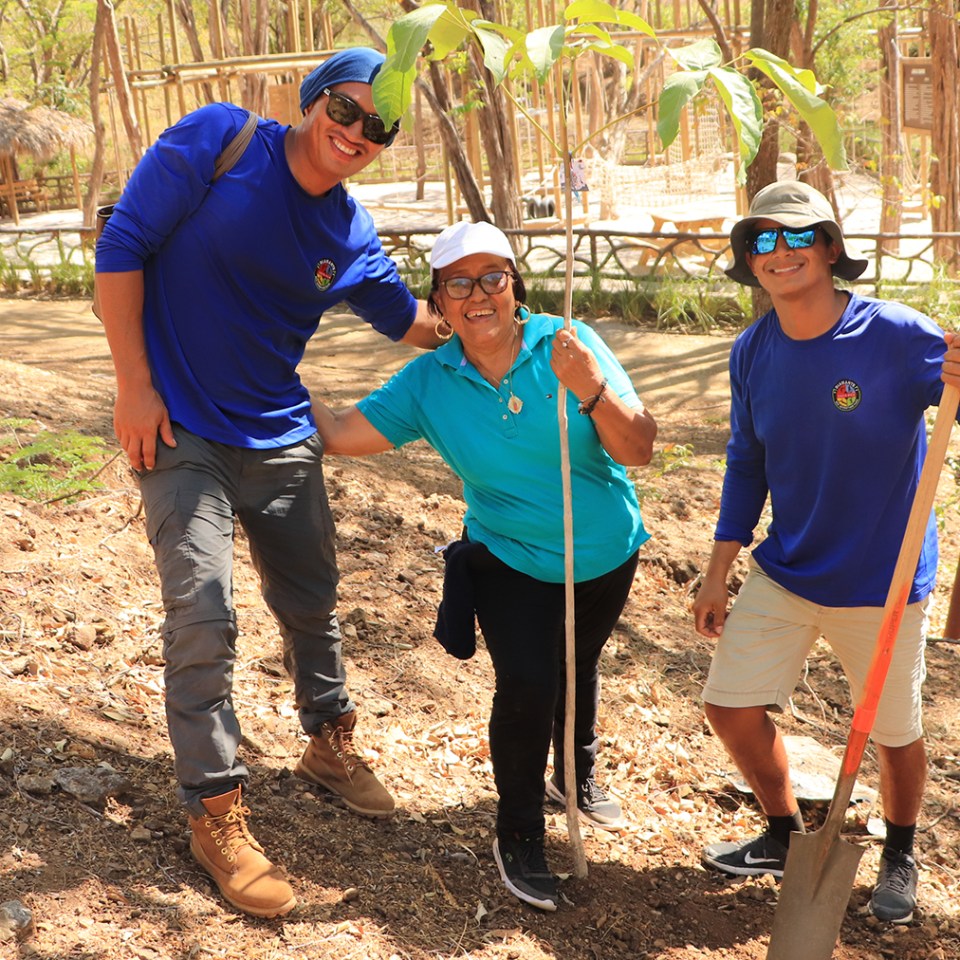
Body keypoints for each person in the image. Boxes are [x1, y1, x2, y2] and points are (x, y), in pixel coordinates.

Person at [94, 48, 441, 918]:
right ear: (316, 99)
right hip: (181, 433)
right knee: (203, 610)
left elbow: (413, 325)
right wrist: (134, 387)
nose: (357, 133)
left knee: (312, 601)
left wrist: (498, 309)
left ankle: (328, 741)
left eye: (378, 126)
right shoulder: (221, 141)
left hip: (283, 437)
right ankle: (214, 810)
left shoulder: (353, 234)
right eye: (348, 110)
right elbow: (122, 247)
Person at [313, 219, 658, 911]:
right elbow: (346, 434)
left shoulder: (569, 344)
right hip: (509, 557)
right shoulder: (429, 382)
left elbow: (639, 448)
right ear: (438, 303)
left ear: (515, 286)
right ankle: (520, 833)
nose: (478, 295)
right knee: (529, 686)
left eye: (492, 278)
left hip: (605, 552)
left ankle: (575, 771)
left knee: (577, 663)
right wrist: (266, 382)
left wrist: (589, 386)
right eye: (458, 284)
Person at [693, 180, 960, 924]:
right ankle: (785, 833)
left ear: (830, 248)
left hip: (885, 575)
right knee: (730, 706)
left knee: (894, 732)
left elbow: (948, 398)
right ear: (750, 262)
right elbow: (746, 462)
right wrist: (718, 570)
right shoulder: (753, 351)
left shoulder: (897, 334)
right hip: (789, 568)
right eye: (761, 241)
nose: (778, 253)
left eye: (795, 236)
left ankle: (900, 849)